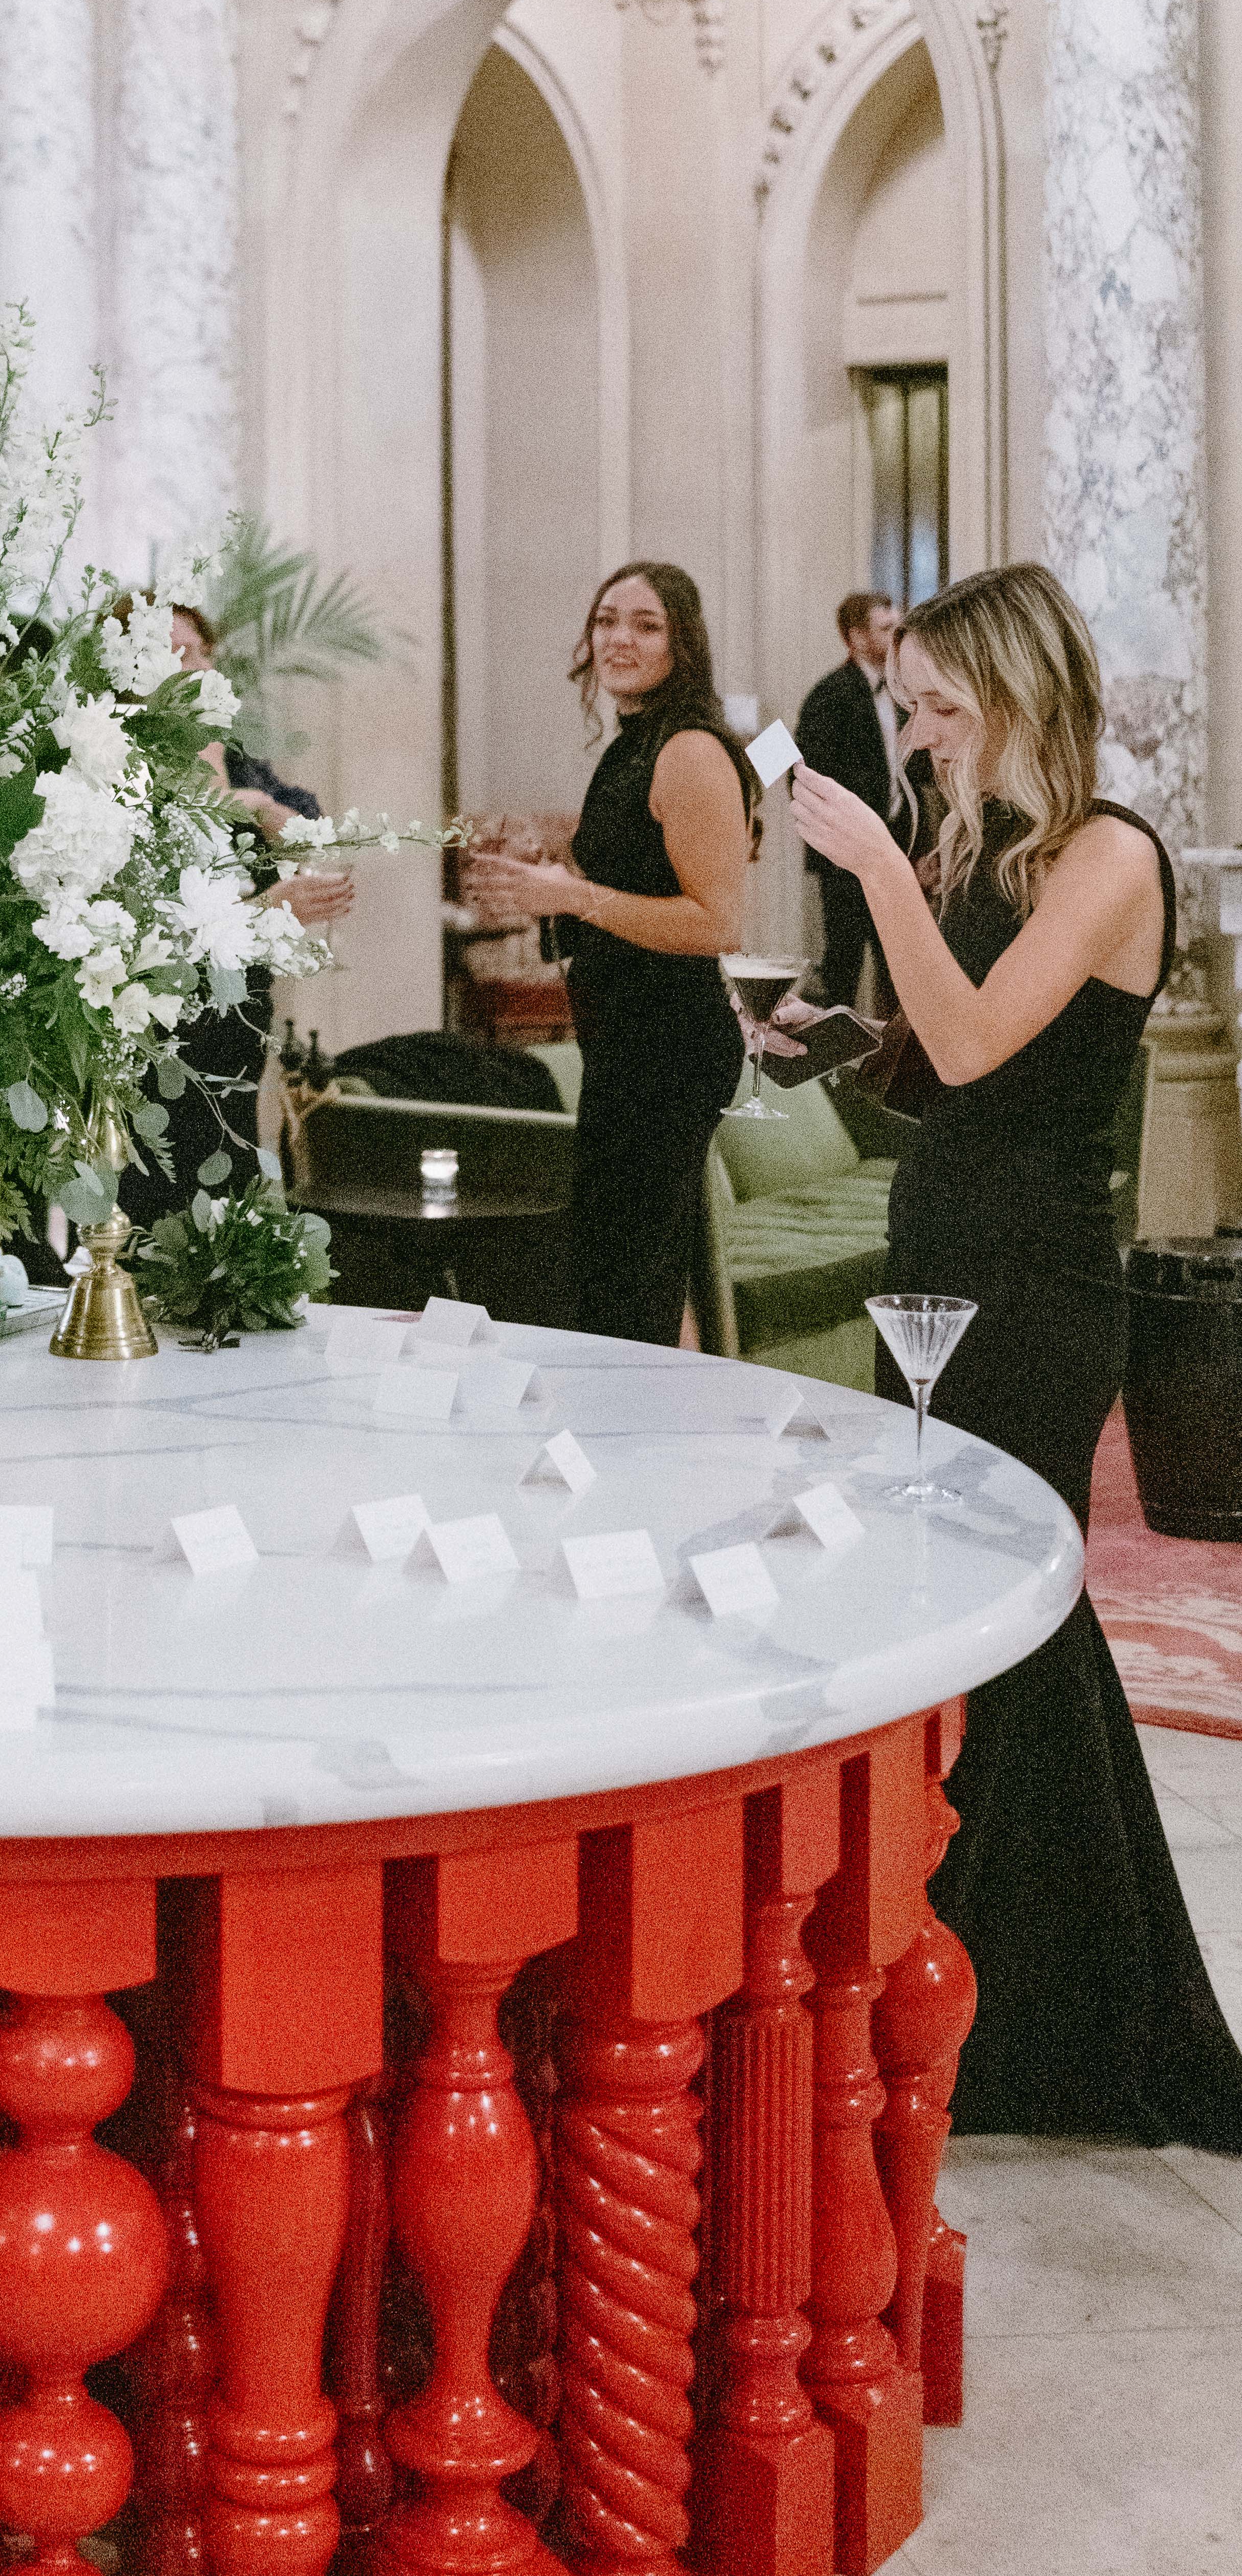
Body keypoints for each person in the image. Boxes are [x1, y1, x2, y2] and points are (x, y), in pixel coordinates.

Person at [792, 560, 1242, 2146]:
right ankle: (1015, 1989)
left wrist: (873, 872)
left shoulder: (1108, 853)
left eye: (935, 707)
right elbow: (944, 1061)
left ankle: (1050, 2012)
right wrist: (828, 1032)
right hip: (943, 1236)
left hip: (1038, 1277)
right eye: (905, 707)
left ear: (1016, 693)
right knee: (973, 1615)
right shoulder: (975, 839)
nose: (913, 736)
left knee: (1009, 1610)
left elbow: (989, 1042)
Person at [466, 564, 754, 1347]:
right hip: (625, 1035)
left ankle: (640, 1445)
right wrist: (560, 873)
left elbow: (716, 922)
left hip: (669, 1042)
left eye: (645, 623)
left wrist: (570, 896)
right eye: (605, 620)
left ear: (681, 641)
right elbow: (639, 878)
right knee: (630, 1264)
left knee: (627, 1275)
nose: (619, 638)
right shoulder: (634, 744)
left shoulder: (689, 749)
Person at [120, 600, 355, 1231]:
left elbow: (326, 845)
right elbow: (141, 922)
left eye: (201, 653)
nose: (195, 668)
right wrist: (262, 910)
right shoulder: (124, 773)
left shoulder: (239, 761)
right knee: (164, 1195)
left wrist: (262, 809)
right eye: (174, 655)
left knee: (237, 1185)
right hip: (162, 1023)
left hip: (244, 1014)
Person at [796, 590, 918, 1006]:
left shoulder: (906, 693)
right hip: (842, 861)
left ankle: (897, 1065)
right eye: (887, 628)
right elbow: (809, 777)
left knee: (901, 966)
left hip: (900, 851)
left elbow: (914, 774)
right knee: (842, 968)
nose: (898, 634)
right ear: (856, 636)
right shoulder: (828, 695)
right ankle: (835, 1067)